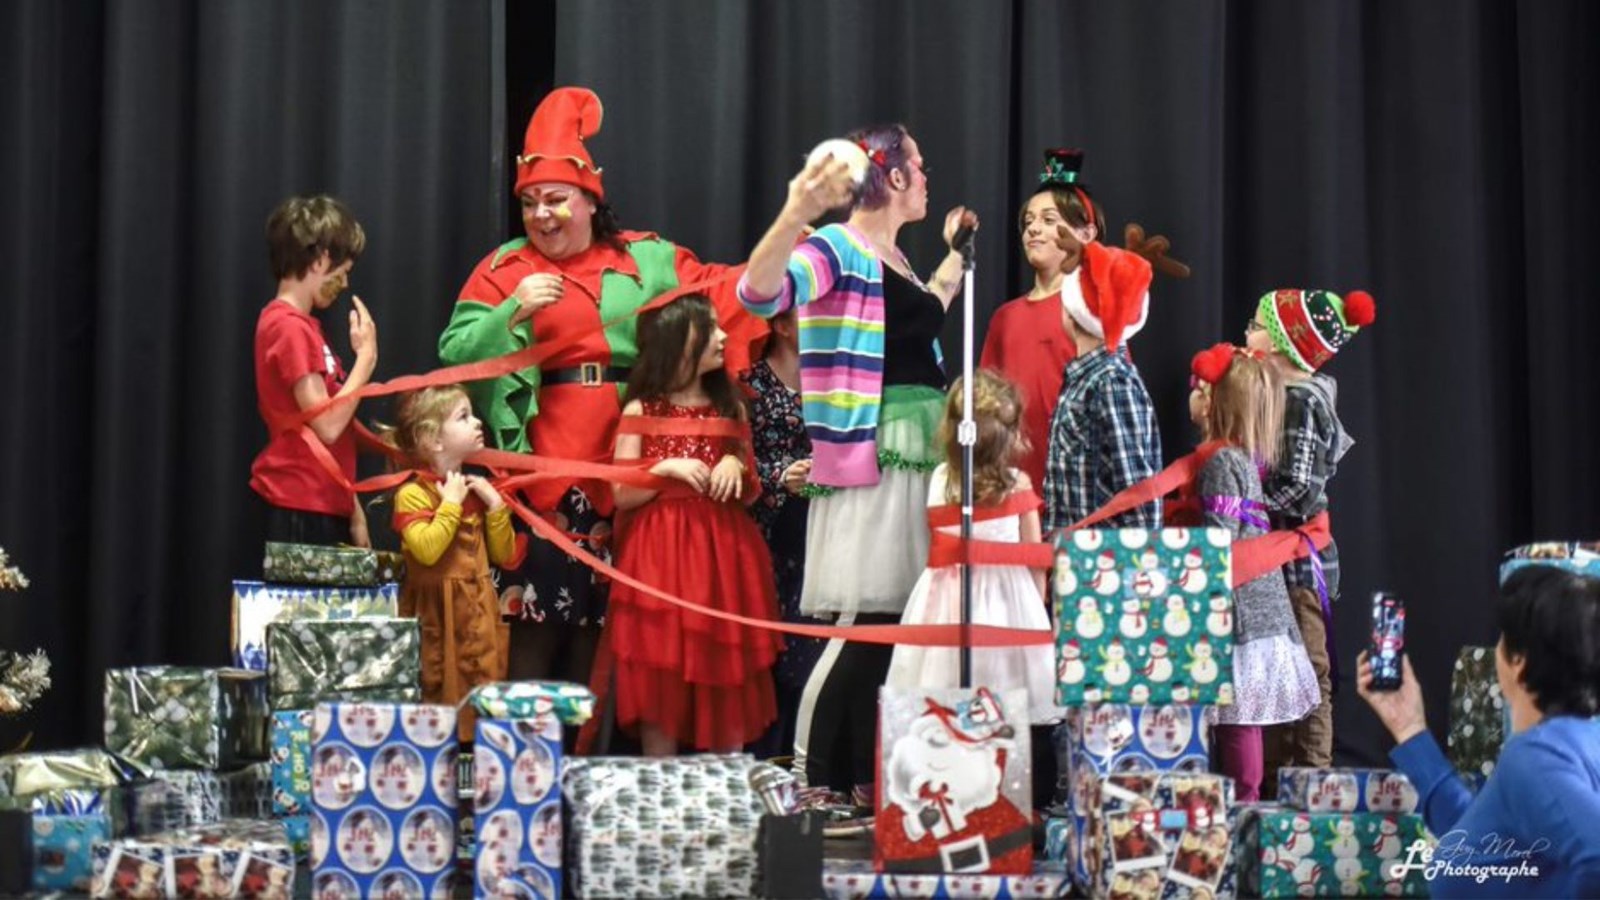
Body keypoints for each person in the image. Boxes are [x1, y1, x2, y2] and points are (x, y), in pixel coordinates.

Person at [437, 87, 766, 693]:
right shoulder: (504, 269)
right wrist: (510, 312)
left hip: (632, 471)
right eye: (531, 202)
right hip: (544, 474)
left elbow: (725, 290)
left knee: (604, 632)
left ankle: (584, 776)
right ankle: (523, 775)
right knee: (535, 623)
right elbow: (452, 353)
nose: (541, 215)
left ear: (590, 198)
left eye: (556, 200)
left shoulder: (647, 260)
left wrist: (791, 255)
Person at [738, 122, 974, 810]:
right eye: (920, 167)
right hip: (878, 447)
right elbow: (761, 293)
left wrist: (955, 252)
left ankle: (864, 778)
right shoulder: (837, 246)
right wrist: (797, 211)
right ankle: (812, 779)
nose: (928, 178)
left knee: (905, 621)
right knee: (866, 619)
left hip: (921, 447)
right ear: (895, 178)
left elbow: (927, 309)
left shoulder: (892, 260)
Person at [1357, 559, 1600, 897]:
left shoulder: (1535, 756)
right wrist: (1409, 728)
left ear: (1518, 660)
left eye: (1501, 638)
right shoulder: (1573, 744)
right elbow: (1483, 848)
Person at [607, 295, 783, 755]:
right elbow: (620, 494)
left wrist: (733, 464)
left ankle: (722, 791)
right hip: (659, 557)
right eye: (711, 329)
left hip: (723, 554)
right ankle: (659, 793)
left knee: (724, 662)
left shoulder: (732, 408)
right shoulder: (641, 410)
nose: (724, 337)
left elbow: (751, 485)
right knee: (658, 668)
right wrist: (664, 469)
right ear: (680, 342)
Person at [1247, 288, 1376, 775]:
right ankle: (1282, 775)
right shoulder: (1279, 397)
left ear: (1284, 343)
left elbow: (1299, 490)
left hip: (1300, 565)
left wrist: (1245, 507)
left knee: (1309, 670)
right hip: (1274, 560)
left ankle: (1314, 775)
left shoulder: (1301, 402)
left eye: (1256, 325)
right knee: (1276, 668)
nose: (1247, 332)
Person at [1186, 344, 1320, 802]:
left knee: (1238, 723)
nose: (1193, 395)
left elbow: (1218, 540)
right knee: (1241, 722)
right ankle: (1245, 802)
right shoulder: (1239, 459)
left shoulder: (1221, 462)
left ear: (1213, 403)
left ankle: (1244, 808)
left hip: (1240, 616)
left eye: (1199, 388)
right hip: (1254, 610)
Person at [886, 370, 1058, 722]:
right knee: (1003, 693)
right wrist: (1036, 609)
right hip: (1009, 601)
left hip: (946, 600)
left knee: (944, 688)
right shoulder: (1018, 485)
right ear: (1009, 434)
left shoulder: (939, 482)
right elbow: (1036, 558)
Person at [387, 386, 516, 742]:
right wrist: (451, 506)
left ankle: (474, 779)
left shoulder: (474, 489)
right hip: (437, 620)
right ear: (433, 440)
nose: (477, 423)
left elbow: (503, 555)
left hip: (477, 616)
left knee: (480, 698)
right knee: (437, 693)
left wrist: (496, 509)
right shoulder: (413, 493)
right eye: (463, 416)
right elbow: (427, 551)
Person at [250, 195, 377, 548]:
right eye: (344, 272)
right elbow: (328, 425)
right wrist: (366, 358)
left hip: (317, 501)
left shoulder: (303, 327)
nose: (345, 284)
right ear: (321, 260)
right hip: (299, 503)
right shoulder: (287, 327)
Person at [742, 308, 825, 759]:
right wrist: (778, 476)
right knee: (770, 645)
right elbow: (735, 453)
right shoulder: (751, 382)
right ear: (781, 325)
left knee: (811, 642)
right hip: (767, 529)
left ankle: (805, 757)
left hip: (819, 526)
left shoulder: (830, 378)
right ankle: (764, 756)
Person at [1041, 227, 1160, 532]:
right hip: (1074, 554)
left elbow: (1137, 488)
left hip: (1107, 562)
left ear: (1072, 311)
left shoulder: (1112, 382)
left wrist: (1141, 562)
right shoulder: (1085, 377)